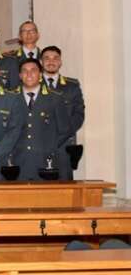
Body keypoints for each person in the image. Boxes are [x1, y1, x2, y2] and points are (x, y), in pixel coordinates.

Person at [13, 59, 71, 180]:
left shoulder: (55, 98)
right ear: (20, 76)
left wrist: (48, 149)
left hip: (46, 163)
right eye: (25, 71)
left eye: (33, 70)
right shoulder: (10, 98)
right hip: (17, 162)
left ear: (40, 75)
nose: (29, 74)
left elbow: (64, 130)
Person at [41, 45, 85, 179]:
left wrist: (62, 135)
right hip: (38, 145)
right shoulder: (32, 84)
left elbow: (78, 114)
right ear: (41, 62)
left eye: (55, 58)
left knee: (64, 184)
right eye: (47, 58)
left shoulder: (72, 85)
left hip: (64, 145)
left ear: (60, 62)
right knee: (38, 186)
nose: (51, 61)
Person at [6, 21, 42, 87]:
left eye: (32, 31)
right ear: (19, 36)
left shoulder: (45, 57)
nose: (28, 33)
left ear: (38, 35)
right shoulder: (9, 58)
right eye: (24, 31)